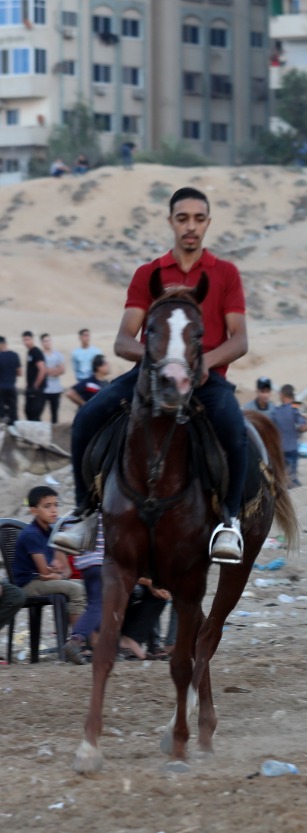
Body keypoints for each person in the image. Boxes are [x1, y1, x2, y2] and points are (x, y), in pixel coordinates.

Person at [52, 188, 251, 563]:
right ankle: (84, 512)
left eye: (198, 218)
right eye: (182, 218)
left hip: (206, 380)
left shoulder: (225, 274)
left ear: (207, 222)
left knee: (236, 433)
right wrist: (161, 364)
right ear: (171, 222)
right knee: (85, 420)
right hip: (150, 376)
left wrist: (203, 364)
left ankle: (230, 522)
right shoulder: (149, 273)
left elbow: (239, 339)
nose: (190, 226)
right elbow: (124, 340)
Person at [10, 486, 88, 663]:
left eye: (55, 505)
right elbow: (44, 571)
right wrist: (57, 574)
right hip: (28, 584)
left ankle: (84, 640)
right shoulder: (31, 534)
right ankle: (78, 646)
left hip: (43, 579)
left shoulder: (51, 531)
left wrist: (58, 573)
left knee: (89, 586)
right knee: (76, 590)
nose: (54, 510)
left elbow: (63, 569)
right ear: (33, 510)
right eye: (47, 506)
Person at [270, 383, 307, 487]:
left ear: (282, 395)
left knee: (282, 474)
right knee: (293, 476)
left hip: (280, 448)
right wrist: (304, 425)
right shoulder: (295, 407)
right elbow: (302, 426)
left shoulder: (276, 410)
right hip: (292, 447)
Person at [21, 331, 44, 422]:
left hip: (36, 391)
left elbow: (42, 370)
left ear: (32, 339)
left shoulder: (36, 352)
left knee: (34, 415)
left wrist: (35, 386)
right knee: (28, 413)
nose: (26, 342)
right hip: (30, 389)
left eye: (28, 339)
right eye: (24, 340)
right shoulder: (30, 352)